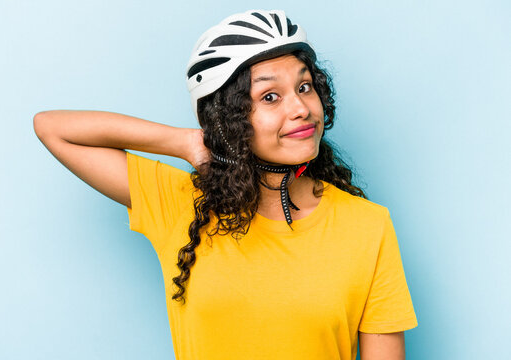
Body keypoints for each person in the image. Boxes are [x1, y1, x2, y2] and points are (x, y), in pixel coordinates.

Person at [34, 9, 417, 360]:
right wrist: (185, 142)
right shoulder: (181, 203)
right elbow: (52, 128)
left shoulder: (368, 225)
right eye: (270, 96)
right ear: (228, 120)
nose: (301, 108)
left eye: (304, 87)